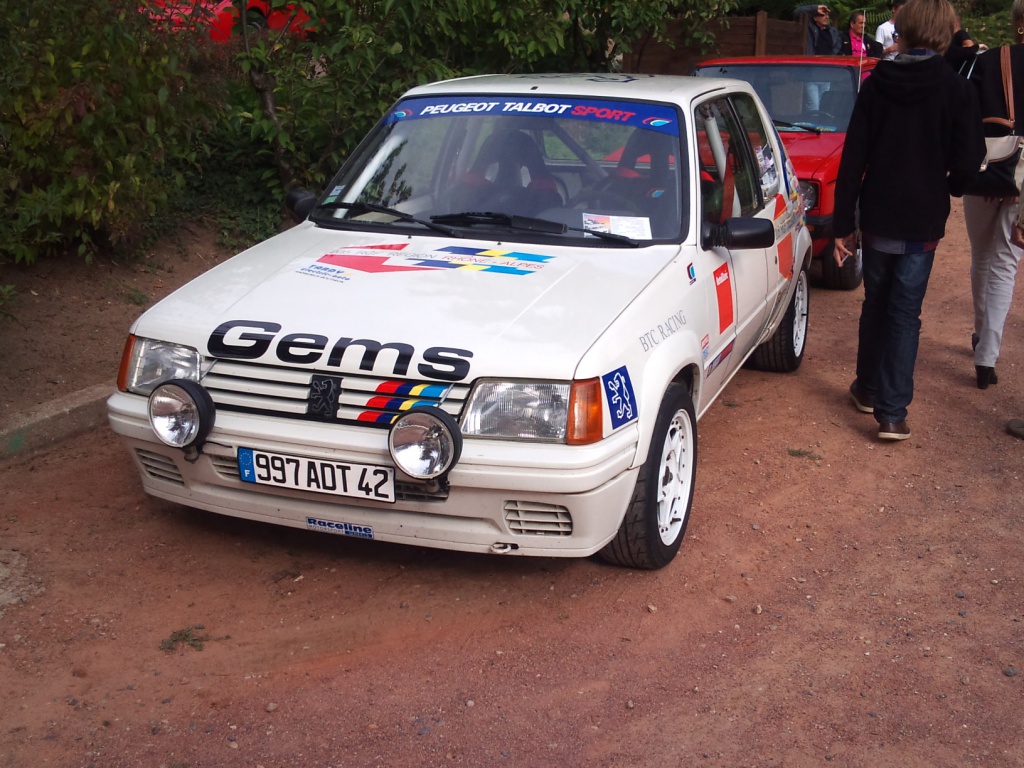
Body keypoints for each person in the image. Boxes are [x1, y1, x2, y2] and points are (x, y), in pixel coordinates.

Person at [833, 0, 985, 441]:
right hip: (923, 216)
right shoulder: (957, 90)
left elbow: (852, 158)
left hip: (879, 211)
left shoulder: (877, 82)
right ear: (944, 32)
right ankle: (892, 412)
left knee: (876, 302)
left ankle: (867, 388)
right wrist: (952, 185)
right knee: (905, 311)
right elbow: (969, 159)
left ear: (905, 30)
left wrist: (843, 223)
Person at [962, 0, 1024, 390]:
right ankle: (987, 356)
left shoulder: (989, 62)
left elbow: (966, 120)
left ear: (1018, 25)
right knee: (1006, 262)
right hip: (1022, 180)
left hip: (985, 169)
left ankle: (981, 337)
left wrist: (988, 172)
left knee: (982, 255)